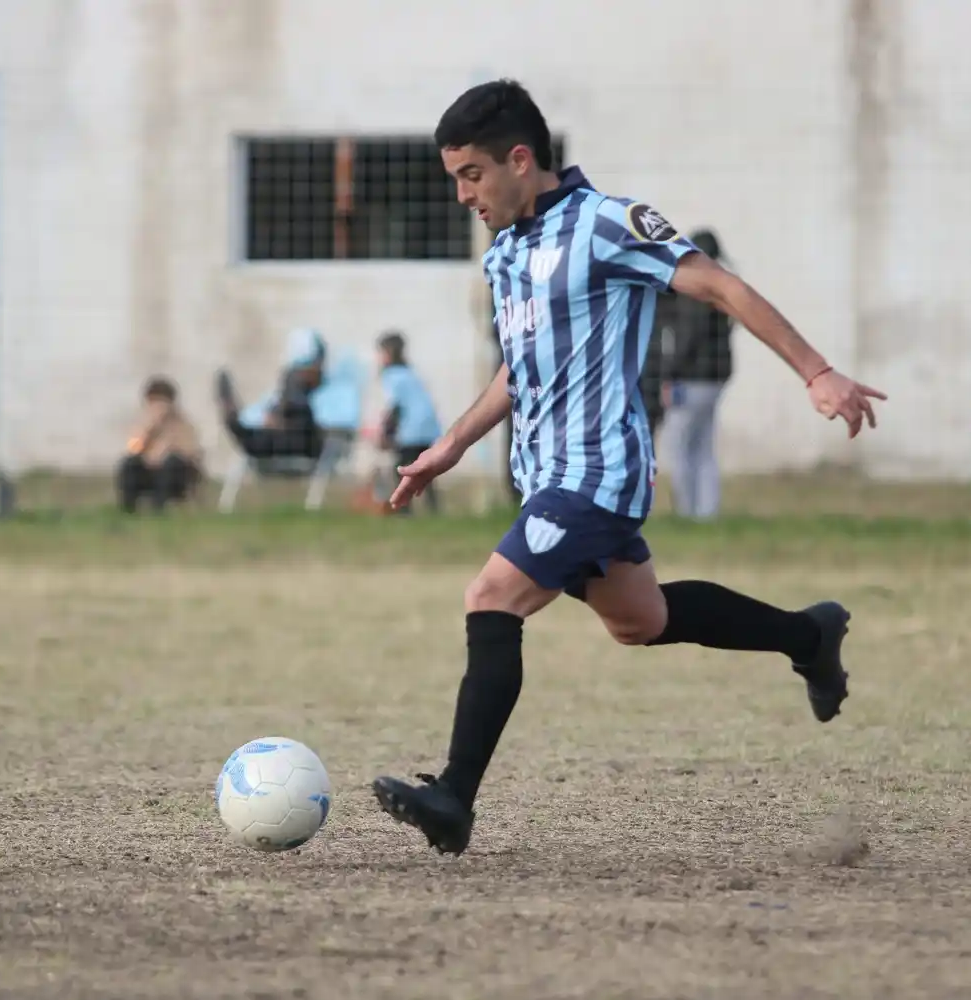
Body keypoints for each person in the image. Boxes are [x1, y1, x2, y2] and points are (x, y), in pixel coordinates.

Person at [371, 80, 886, 856]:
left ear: (520, 159)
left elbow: (718, 285)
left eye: (471, 175)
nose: (462, 195)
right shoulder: (507, 253)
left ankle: (453, 798)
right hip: (546, 476)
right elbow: (521, 368)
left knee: (491, 599)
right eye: (454, 179)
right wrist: (452, 445)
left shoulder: (608, 224)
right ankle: (808, 636)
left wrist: (817, 372)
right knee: (638, 620)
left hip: (599, 471)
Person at [657, 228, 734, 520]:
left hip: (690, 380)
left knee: (680, 446)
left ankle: (688, 511)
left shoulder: (696, 292)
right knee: (703, 448)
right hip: (715, 380)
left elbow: (687, 337)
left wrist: (668, 375)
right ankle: (706, 512)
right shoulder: (723, 288)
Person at [215, 329, 327, 462]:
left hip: (303, 442)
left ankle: (234, 419)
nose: (299, 372)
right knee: (255, 430)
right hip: (280, 435)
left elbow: (316, 423)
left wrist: (280, 422)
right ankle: (234, 419)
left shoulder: (323, 391)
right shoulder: (292, 386)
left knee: (261, 434)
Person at [372, 330, 442, 514]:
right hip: (428, 427)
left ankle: (403, 509)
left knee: (403, 470)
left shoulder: (392, 375)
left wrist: (385, 433)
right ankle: (434, 509)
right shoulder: (410, 372)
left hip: (411, 430)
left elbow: (394, 406)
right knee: (425, 472)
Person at [117, 377, 203, 513]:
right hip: (147, 470)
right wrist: (149, 429)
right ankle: (128, 507)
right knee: (129, 463)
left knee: (172, 463)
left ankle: (159, 507)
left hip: (173, 473)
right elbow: (133, 448)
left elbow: (191, 453)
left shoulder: (182, 424)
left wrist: (168, 447)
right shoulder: (143, 423)